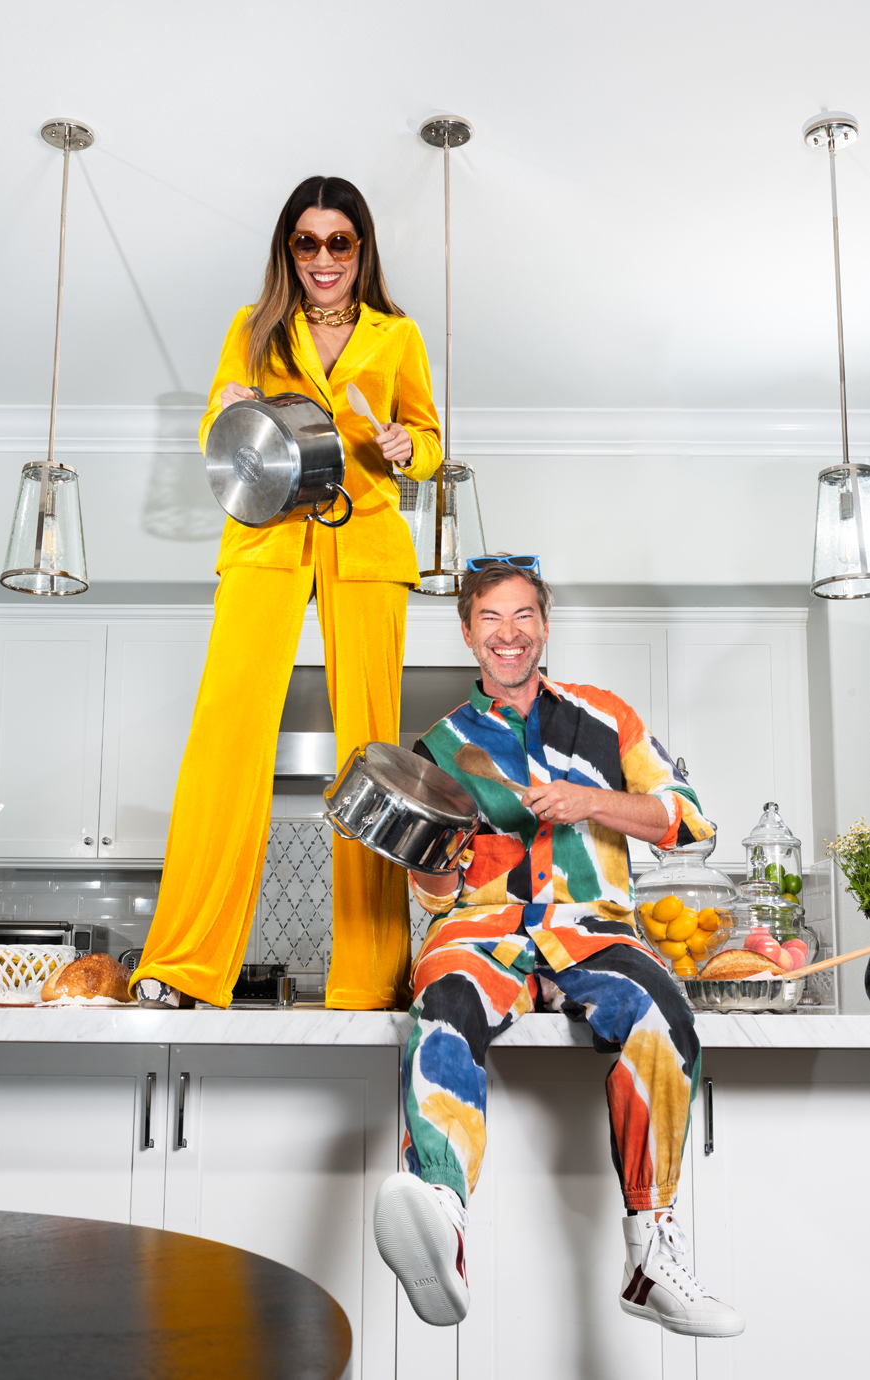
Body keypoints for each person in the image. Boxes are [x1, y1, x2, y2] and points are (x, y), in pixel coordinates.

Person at [373, 557, 745, 1338]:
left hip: (591, 929)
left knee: (661, 1013)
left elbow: (687, 819)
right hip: (480, 929)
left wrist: (589, 801)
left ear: (544, 623)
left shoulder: (606, 719)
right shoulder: (438, 748)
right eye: (490, 621)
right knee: (440, 1002)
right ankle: (441, 1216)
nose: (508, 636)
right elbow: (432, 896)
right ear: (467, 632)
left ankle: (652, 1255)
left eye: (522, 617)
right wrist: (431, 864)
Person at [130, 176, 441, 1012]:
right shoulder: (253, 327)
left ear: (361, 248)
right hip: (268, 536)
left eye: (339, 242)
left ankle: (370, 976)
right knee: (224, 735)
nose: (323, 259)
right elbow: (216, 432)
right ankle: (186, 962)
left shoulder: (397, 335)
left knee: (373, 754)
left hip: (365, 540)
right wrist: (226, 407)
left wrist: (403, 444)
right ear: (288, 250)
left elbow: (428, 446)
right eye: (307, 243)